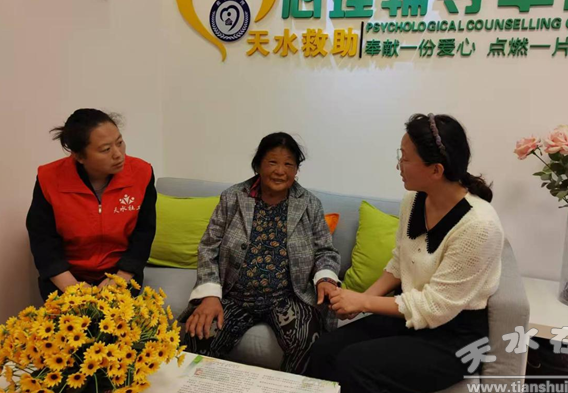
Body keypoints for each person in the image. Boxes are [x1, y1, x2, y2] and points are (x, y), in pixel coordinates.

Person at [307, 114, 504, 393]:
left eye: (406, 158)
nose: (399, 165)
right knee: (325, 349)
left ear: (436, 170)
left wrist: (363, 302)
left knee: (354, 363)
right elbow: (401, 261)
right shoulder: (413, 200)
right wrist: (362, 300)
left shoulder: (479, 226)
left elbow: (434, 307)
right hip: (409, 320)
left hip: (453, 338)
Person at [180, 132, 341, 374]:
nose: (280, 171)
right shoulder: (233, 197)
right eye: (272, 162)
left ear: (296, 169)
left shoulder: (309, 204)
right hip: (235, 297)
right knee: (200, 334)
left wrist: (326, 279)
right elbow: (208, 246)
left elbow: (325, 251)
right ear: (258, 165)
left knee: (308, 340)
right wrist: (210, 295)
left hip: (287, 298)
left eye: (289, 164)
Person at [27, 109, 156, 300]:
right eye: (106, 149)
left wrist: (121, 277)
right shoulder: (49, 178)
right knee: (73, 319)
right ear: (79, 156)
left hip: (120, 272)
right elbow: (42, 239)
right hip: (66, 275)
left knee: (119, 318)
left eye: (120, 143)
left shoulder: (141, 172)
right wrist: (73, 287)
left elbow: (144, 232)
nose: (118, 154)